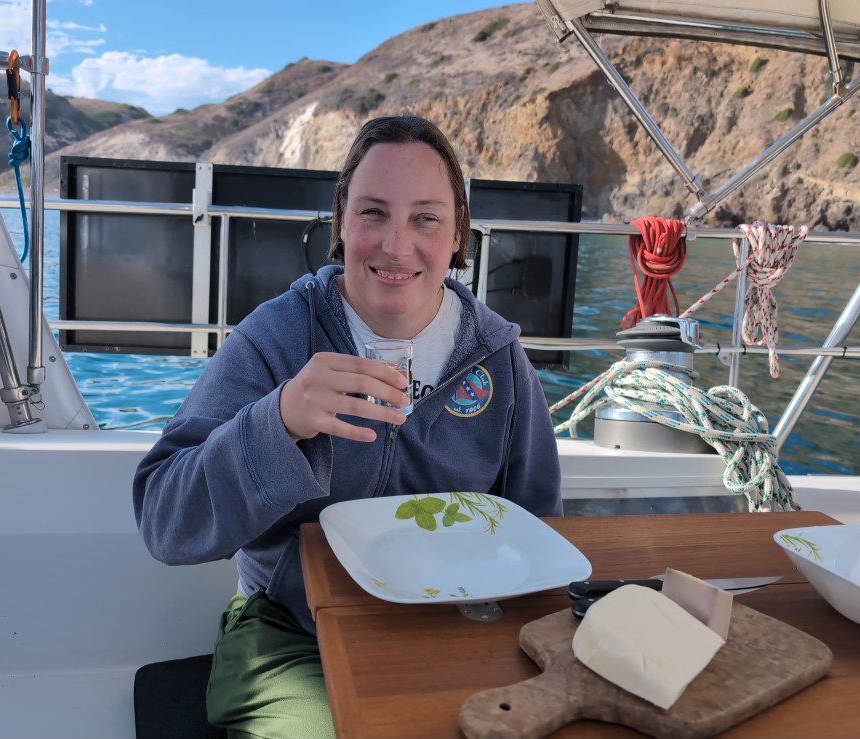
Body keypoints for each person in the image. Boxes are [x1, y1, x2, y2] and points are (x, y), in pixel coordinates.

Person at [133, 114, 562, 738]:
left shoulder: (500, 357)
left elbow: (537, 527)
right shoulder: (275, 338)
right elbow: (164, 522)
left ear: (458, 233)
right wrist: (277, 421)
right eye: (372, 213)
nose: (396, 245)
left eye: (425, 217)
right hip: (290, 635)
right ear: (340, 223)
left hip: (455, 626)